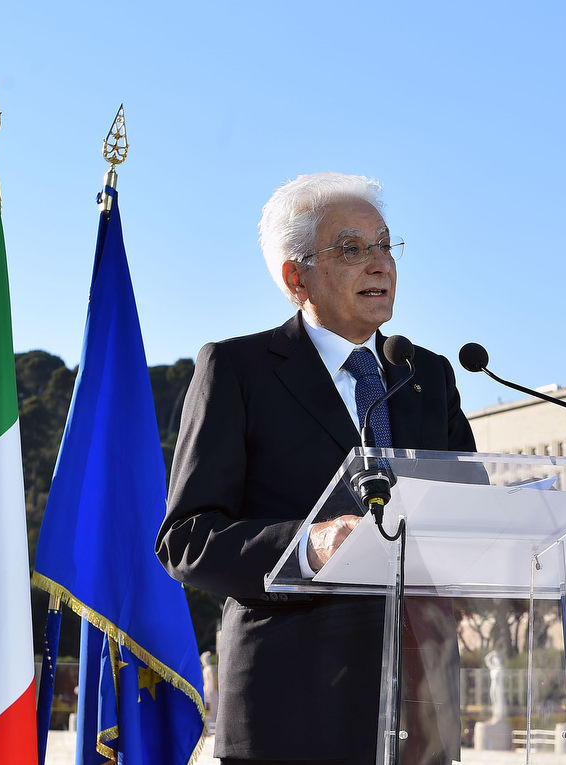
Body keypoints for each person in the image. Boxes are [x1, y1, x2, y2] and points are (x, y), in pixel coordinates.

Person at [157, 172, 478, 764]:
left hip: (418, 706)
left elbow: (466, 513)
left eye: (386, 245)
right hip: (289, 707)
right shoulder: (238, 370)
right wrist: (307, 546)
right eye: (353, 249)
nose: (380, 264)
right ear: (294, 276)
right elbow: (187, 538)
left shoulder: (426, 375)